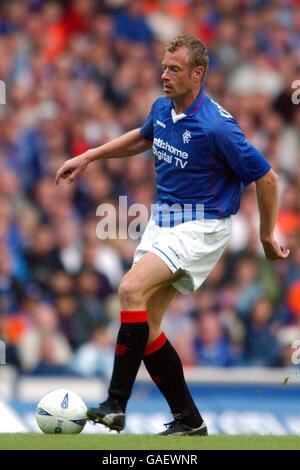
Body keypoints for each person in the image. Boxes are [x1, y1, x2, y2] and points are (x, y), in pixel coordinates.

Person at [55, 34, 289, 436]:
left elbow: (266, 177)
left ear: (197, 74)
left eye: (174, 69)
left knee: (130, 290)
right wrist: (90, 155)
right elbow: (145, 137)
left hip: (202, 224)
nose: (164, 74)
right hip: (163, 220)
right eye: (164, 66)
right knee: (147, 325)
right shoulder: (163, 108)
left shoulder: (217, 127)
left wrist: (266, 235)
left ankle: (115, 403)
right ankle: (190, 420)